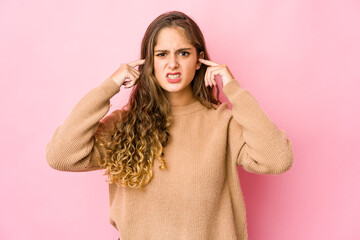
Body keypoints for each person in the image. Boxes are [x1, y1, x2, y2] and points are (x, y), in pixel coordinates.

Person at [46, 11, 293, 240]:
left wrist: (233, 88)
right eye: (161, 54)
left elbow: (277, 159)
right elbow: (61, 156)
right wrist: (109, 86)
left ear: (199, 61)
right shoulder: (123, 125)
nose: (172, 64)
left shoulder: (223, 123)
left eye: (183, 53)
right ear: (148, 62)